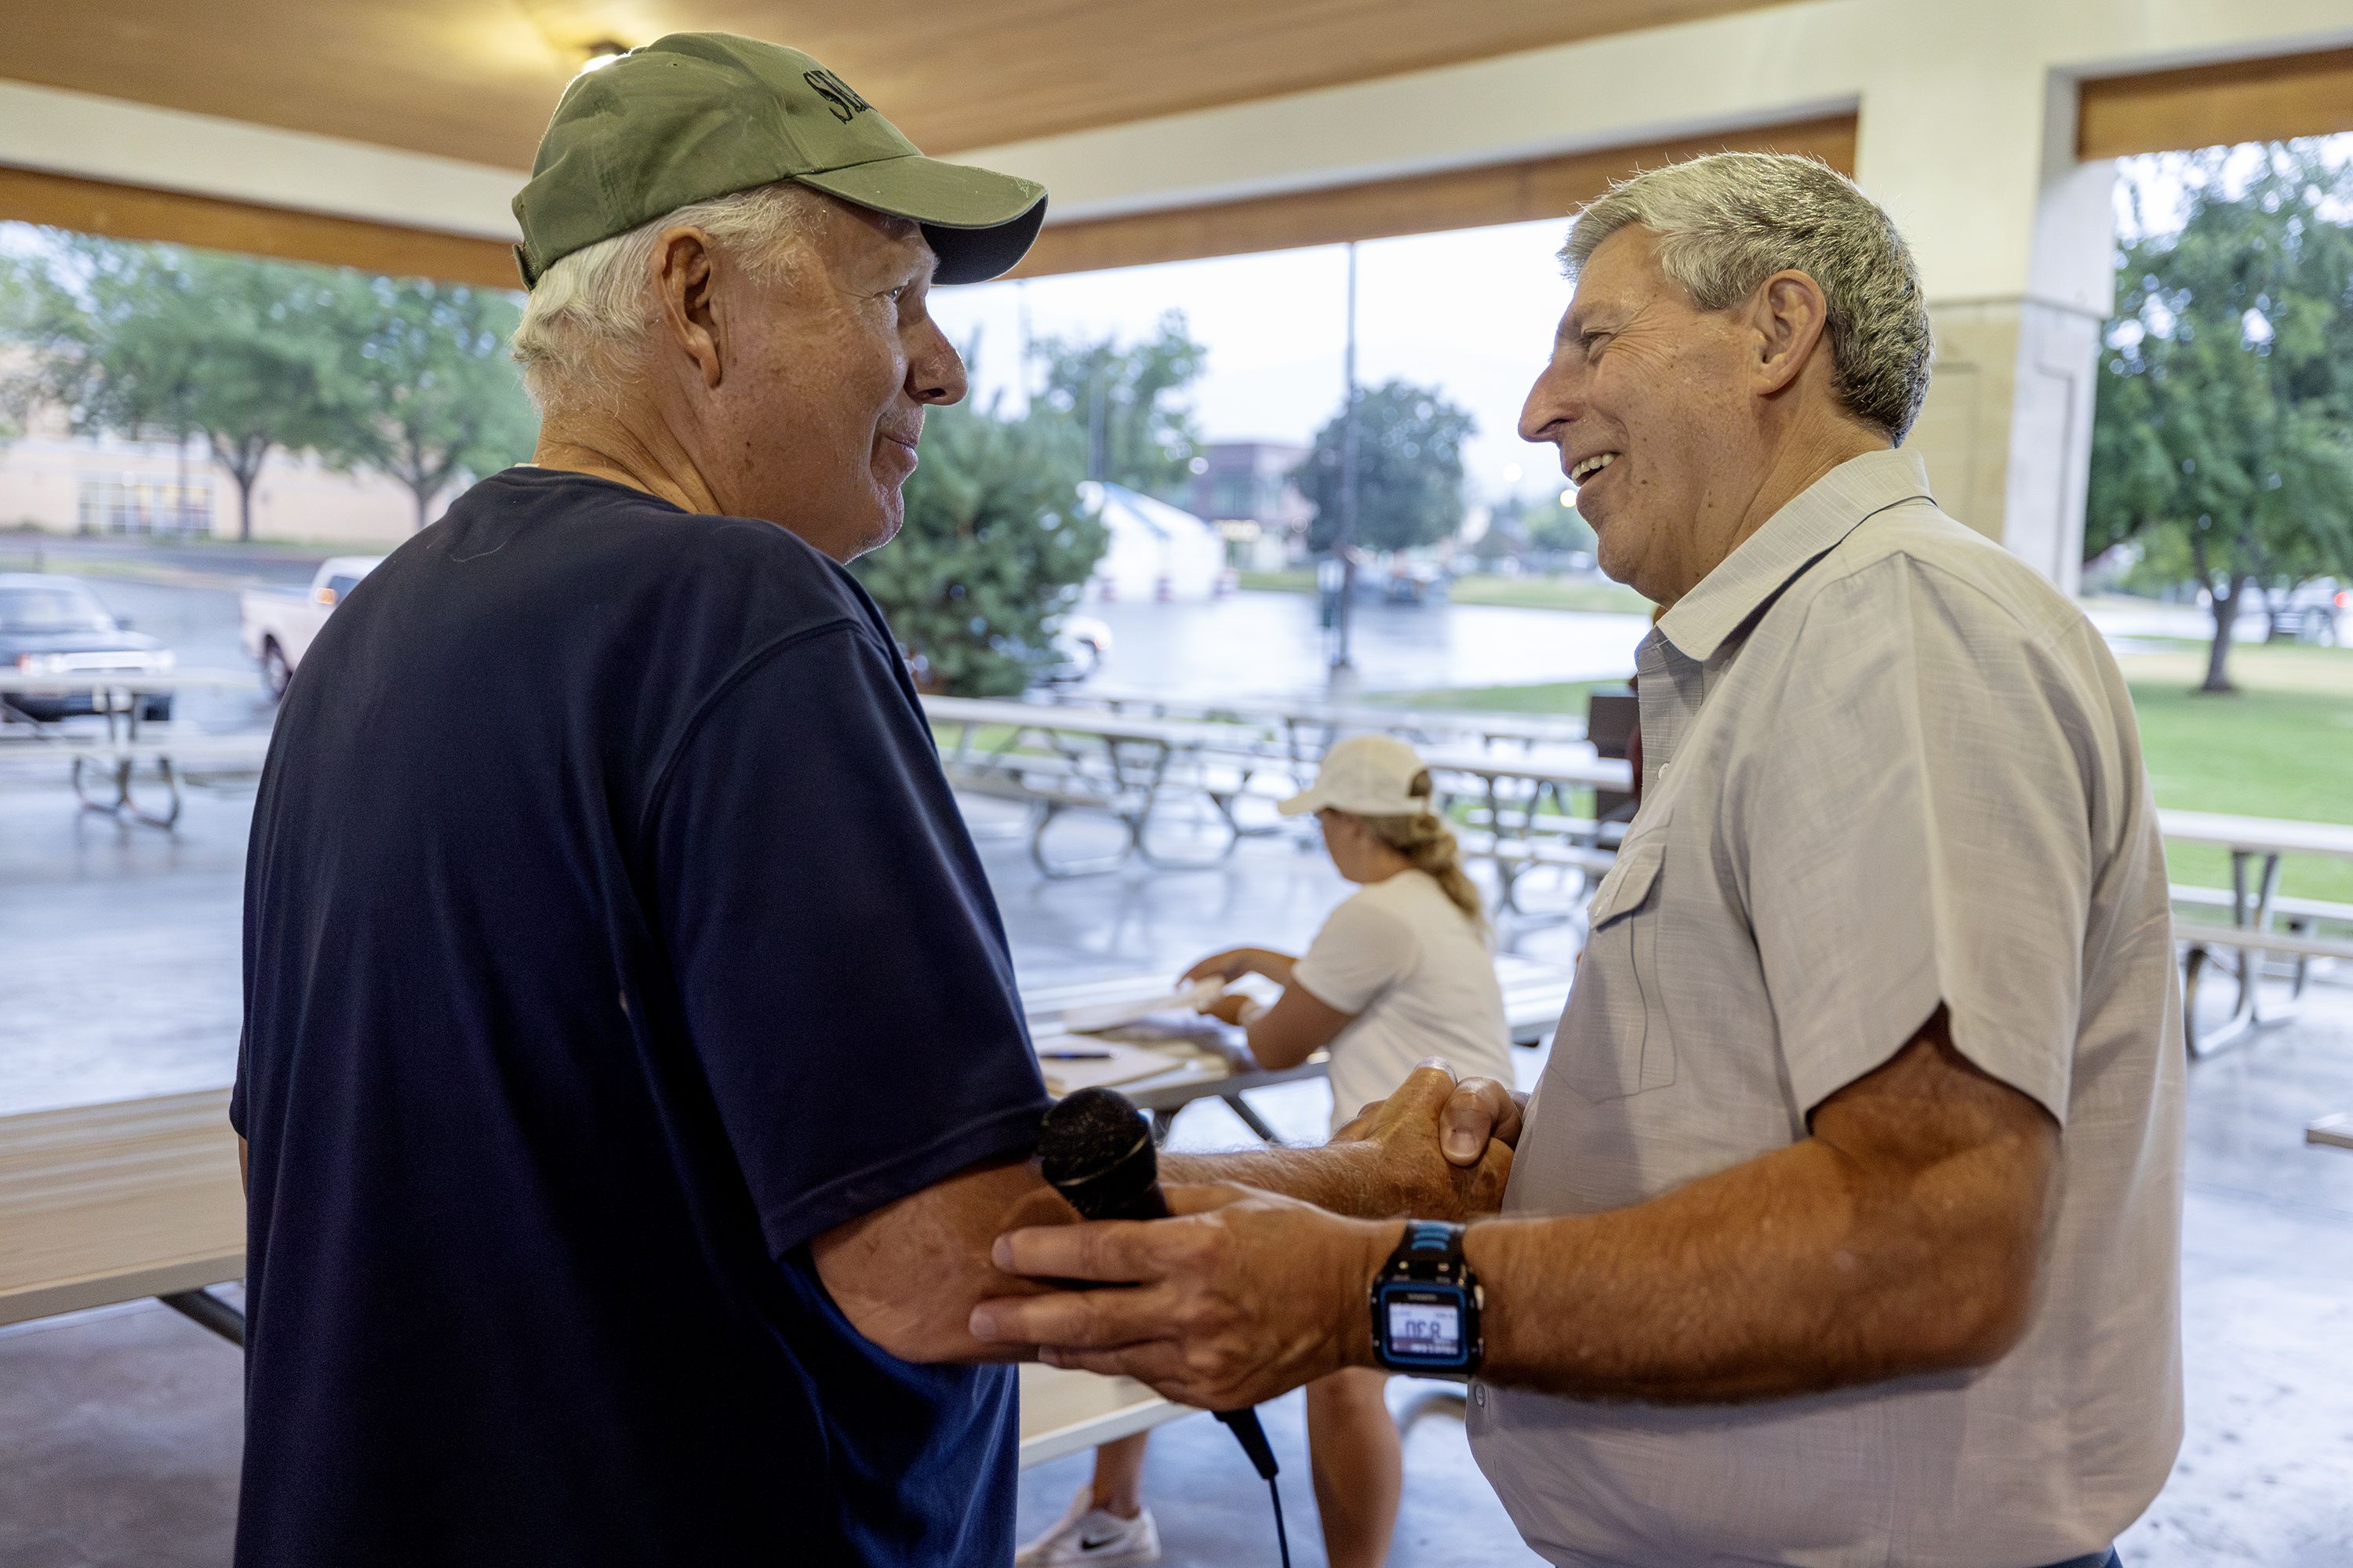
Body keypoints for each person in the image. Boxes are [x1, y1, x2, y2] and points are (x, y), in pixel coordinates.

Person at [233, 42, 1514, 1567]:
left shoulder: (371, 636)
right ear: (696, 301)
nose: (943, 367)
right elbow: (952, 1265)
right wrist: (1367, 1179)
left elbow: (297, 1168)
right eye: (892, 296)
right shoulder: (741, 608)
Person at [974, 151, 2184, 1568]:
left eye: (1594, 341)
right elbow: (1804, 1143)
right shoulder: (1790, 650)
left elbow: (1929, 1233)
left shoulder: (1888, 626)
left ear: (1778, 333)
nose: (1539, 409)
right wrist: (1513, 1165)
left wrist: (1381, 1288)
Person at [1019, 734, 1513, 1568]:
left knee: (1340, 1363)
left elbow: (1279, 1046)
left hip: (1408, 1163)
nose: (1319, 833)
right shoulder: (1436, 899)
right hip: (1475, 1156)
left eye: (1323, 815)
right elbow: (1342, 974)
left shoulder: (1374, 912)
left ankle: (1129, 1514)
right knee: (1173, 1256)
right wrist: (1257, 959)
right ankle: (1113, 1509)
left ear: (1355, 822)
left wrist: (1237, 1008)